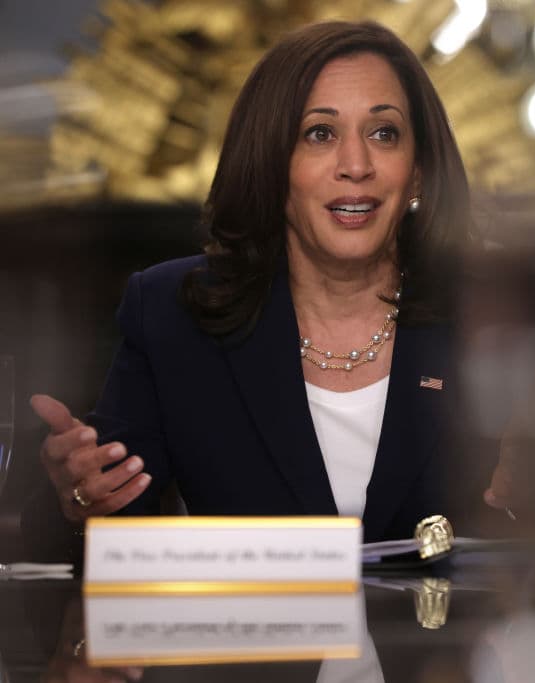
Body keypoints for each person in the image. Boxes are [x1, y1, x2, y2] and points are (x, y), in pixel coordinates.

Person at [25, 20, 508, 552]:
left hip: (448, 634)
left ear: (417, 172)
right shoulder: (173, 313)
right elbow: (103, 526)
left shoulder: (493, 312)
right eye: (319, 134)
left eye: (384, 133)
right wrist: (76, 500)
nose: (356, 165)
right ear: (272, 164)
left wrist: (532, 504)